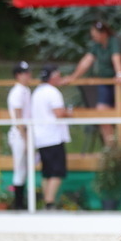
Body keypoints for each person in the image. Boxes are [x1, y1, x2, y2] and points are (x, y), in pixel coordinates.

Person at [65, 20, 121, 145]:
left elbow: (116, 58)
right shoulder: (96, 45)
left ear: (103, 33)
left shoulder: (113, 41)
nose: (93, 37)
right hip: (106, 83)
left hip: (119, 84)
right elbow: (87, 61)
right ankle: (111, 148)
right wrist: (73, 77)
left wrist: (119, 73)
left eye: (95, 35)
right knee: (102, 113)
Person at [31, 65, 72, 210]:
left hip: (40, 136)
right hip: (53, 136)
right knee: (56, 171)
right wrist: (69, 113)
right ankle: (49, 202)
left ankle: (47, 201)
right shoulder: (52, 92)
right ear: (53, 77)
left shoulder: (37, 92)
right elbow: (59, 113)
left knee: (47, 172)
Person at [6, 61, 33, 210]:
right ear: (18, 75)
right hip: (20, 134)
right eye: (25, 73)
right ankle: (18, 203)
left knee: (25, 168)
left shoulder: (25, 91)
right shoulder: (17, 92)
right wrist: (25, 137)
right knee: (20, 168)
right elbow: (18, 118)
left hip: (26, 132)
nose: (28, 75)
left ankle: (23, 201)